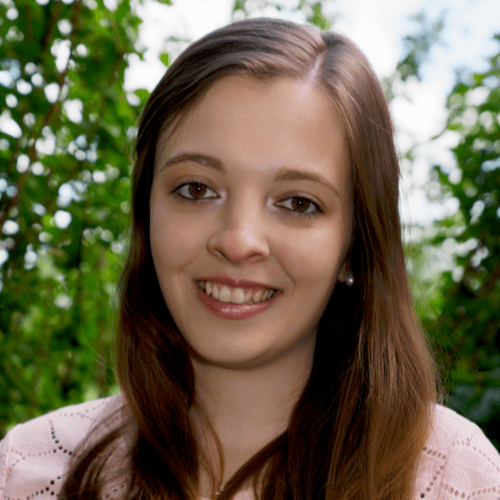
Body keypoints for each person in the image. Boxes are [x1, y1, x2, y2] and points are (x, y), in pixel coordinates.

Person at [0, 17, 499, 500]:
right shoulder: (26, 471)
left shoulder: (454, 479)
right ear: (146, 214)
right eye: (196, 189)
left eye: (298, 203)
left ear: (355, 244)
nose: (238, 241)